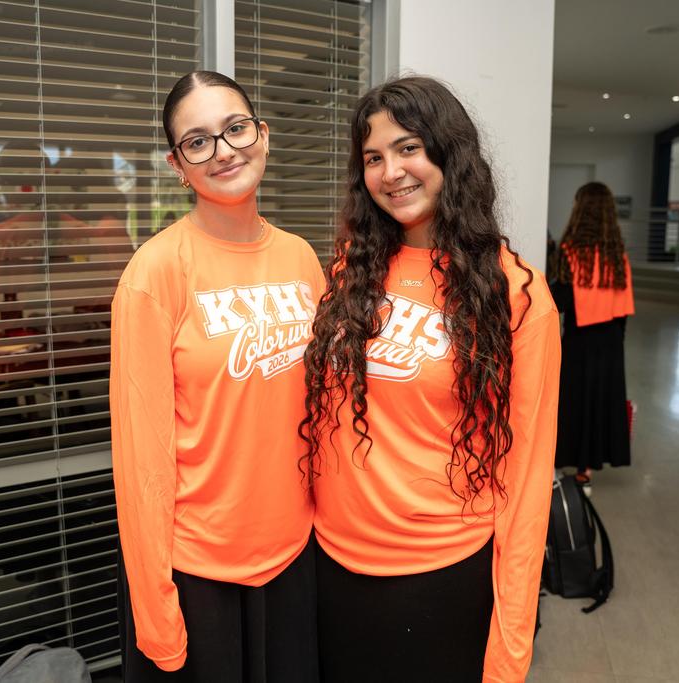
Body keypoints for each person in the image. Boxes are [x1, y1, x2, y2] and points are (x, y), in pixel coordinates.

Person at [300, 76, 561, 683]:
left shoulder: (516, 295)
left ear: (449, 152)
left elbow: (526, 480)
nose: (390, 172)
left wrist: (511, 646)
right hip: (331, 566)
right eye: (373, 158)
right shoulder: (348, 273)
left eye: (408, 148)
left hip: (440, 578)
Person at [109, 71, 324, 683]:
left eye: (235, 129)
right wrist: (156, 609)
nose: (224, 150)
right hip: (197, 572)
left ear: (263, 135)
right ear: (178, 165)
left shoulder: (302, 259)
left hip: (294, 555)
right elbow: (141, 462)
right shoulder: (153, 274)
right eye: (198, 141)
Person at [550, 181, 634, 493]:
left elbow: (561, 301)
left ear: (580, 210)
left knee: (571, 401)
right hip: (610, 342)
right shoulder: (617, 254)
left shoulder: (571, 252)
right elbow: (623, 312)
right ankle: (586, 471)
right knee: (599, 403)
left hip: (578, 340)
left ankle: (560, 462)